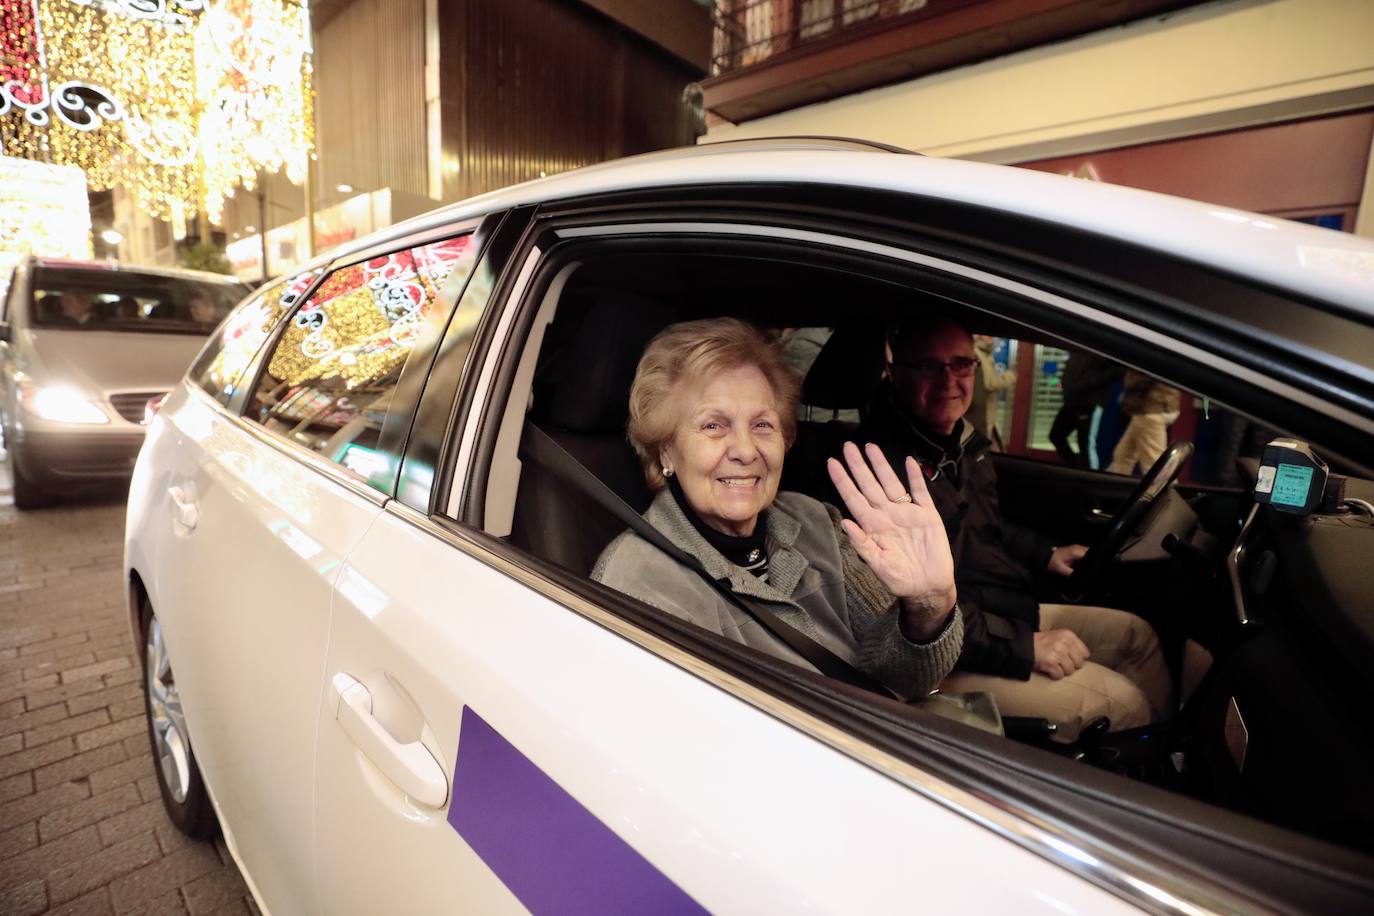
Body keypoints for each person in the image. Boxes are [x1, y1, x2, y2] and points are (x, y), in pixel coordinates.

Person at [593, 318, 963, 701]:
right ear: (666, 449)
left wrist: (928, 607)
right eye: (714, 426)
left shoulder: (814, 520)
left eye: (762, 425)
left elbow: (902, 678)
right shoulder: (638, 580)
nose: (745, 450)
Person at [856, 317, 1171, 741]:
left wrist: (1046, 553)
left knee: (1137, 635)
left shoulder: (960, 443)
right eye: (930, 366)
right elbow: (909, 610)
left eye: (961, 364)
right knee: (1123, 705)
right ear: (896, 374)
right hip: (941, 657)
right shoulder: (877, 469)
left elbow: (984, 525)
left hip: (997, 614)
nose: (950, 380)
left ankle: (1161, 759)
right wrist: (1026, 648)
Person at [1048, 350, 1121, 468]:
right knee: (1056, 435)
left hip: (1089, 403)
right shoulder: (1076, 346)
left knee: (1086, 445)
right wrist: (1064, 385)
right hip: (1071, 401)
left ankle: (1091, 480)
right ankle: (1074, 468)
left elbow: (1118, 371)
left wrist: (1088, 383)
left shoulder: (1101, 346)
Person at [1108, 371, 1181, 475]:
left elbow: (1142, 376)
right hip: (1146, 408)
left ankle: (1167, 490)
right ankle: (1114, 487)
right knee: (1123, 455)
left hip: (1152, 409)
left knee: (1155, 466)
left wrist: (1129, 379)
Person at [967, 334, 1016, 448]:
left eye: (992, 335)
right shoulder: (976, 353)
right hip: (979, 412)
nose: (991, 337)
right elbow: (989, 383)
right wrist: (1011, 376)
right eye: (986, 334)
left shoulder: (986, 353)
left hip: (986, 410)